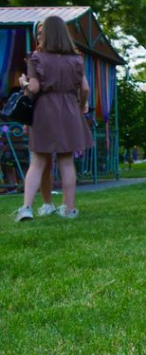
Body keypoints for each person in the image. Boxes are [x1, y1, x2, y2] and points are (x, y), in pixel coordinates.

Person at [14, 15, 93, 221]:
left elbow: (34, 88)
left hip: (45, 109)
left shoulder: (36, 58)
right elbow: (85, 88)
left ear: (46, 34)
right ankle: (69, 208)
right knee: (67, 161)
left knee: (38, 160)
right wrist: (82, 104)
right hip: (69, 109)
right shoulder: (76, 59)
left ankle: (26, 207)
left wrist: (23, 82)